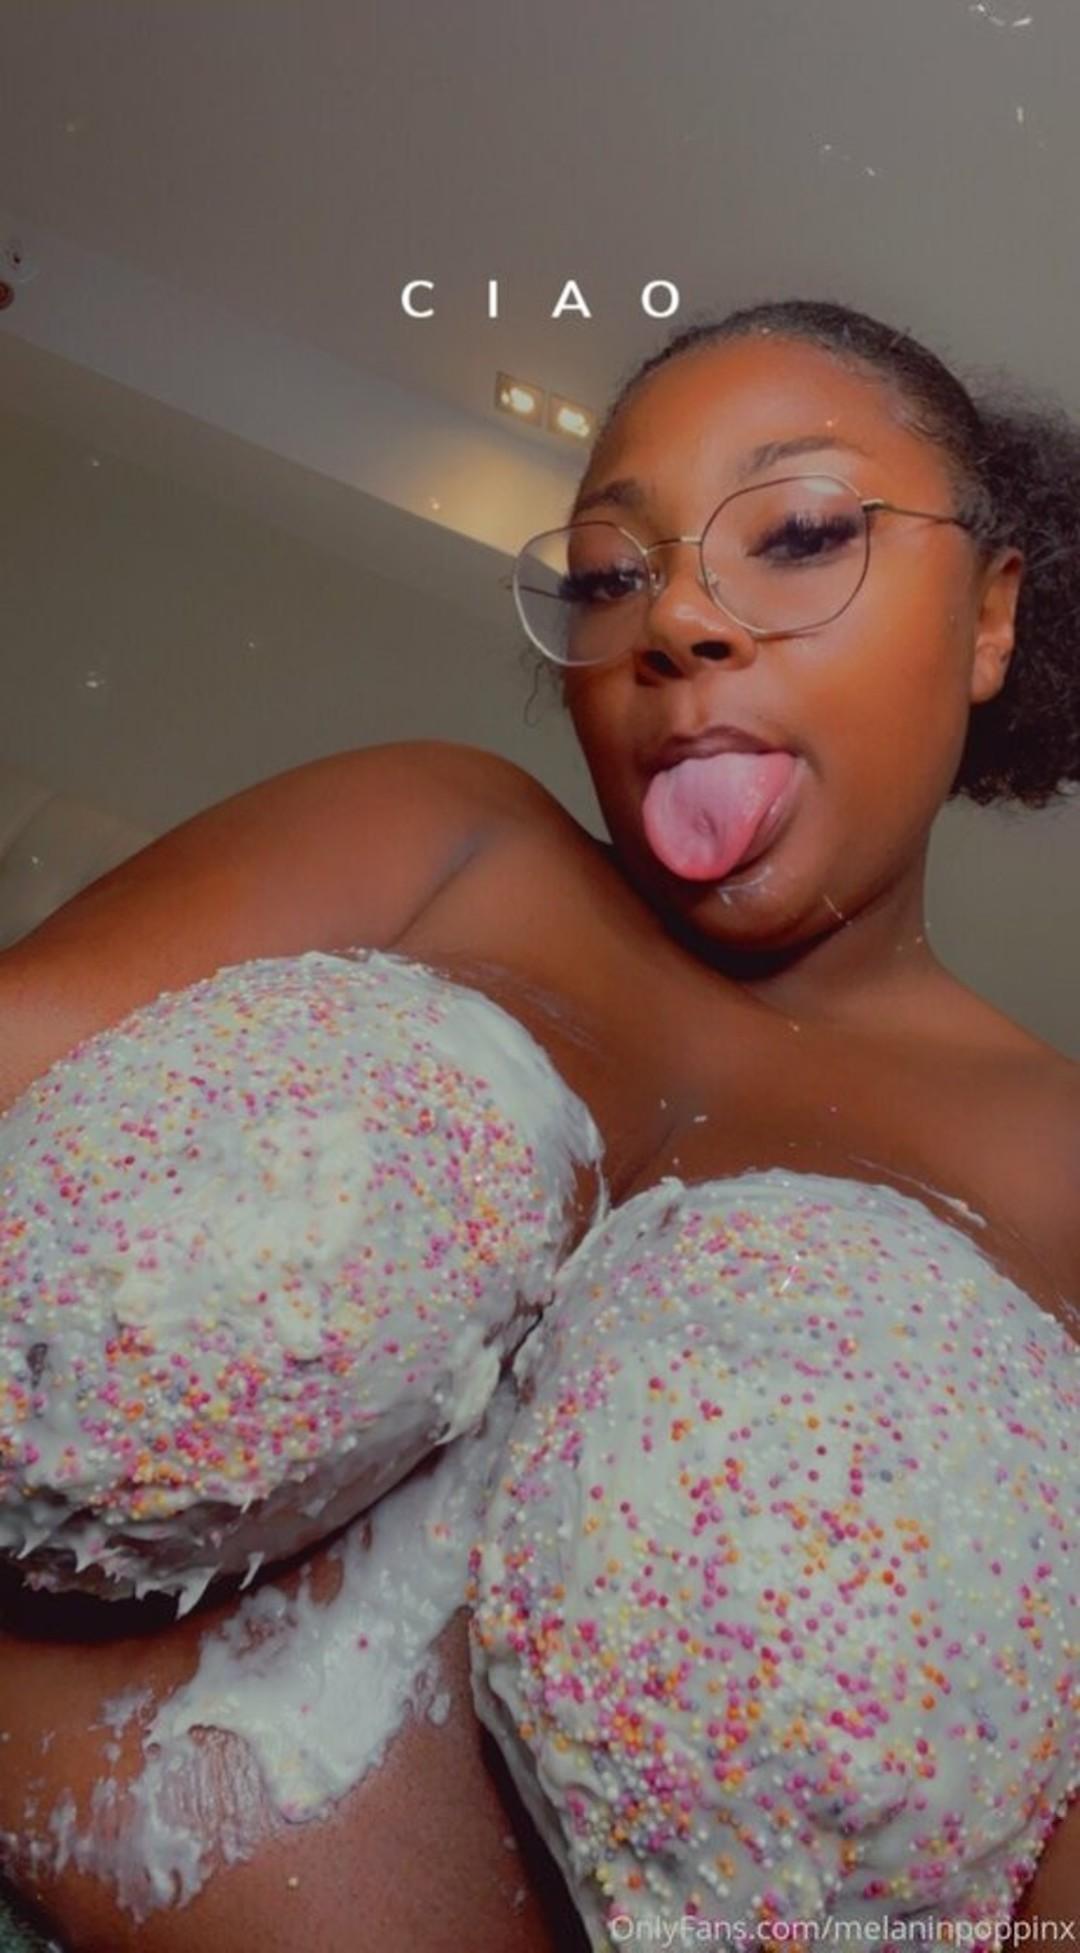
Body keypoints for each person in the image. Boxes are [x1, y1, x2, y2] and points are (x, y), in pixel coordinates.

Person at [0, 297, 1076, 1949]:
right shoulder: (440, 839)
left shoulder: (1060, 1171)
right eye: (610, 574)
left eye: (798, 534)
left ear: (991, 615)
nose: (680, 617)